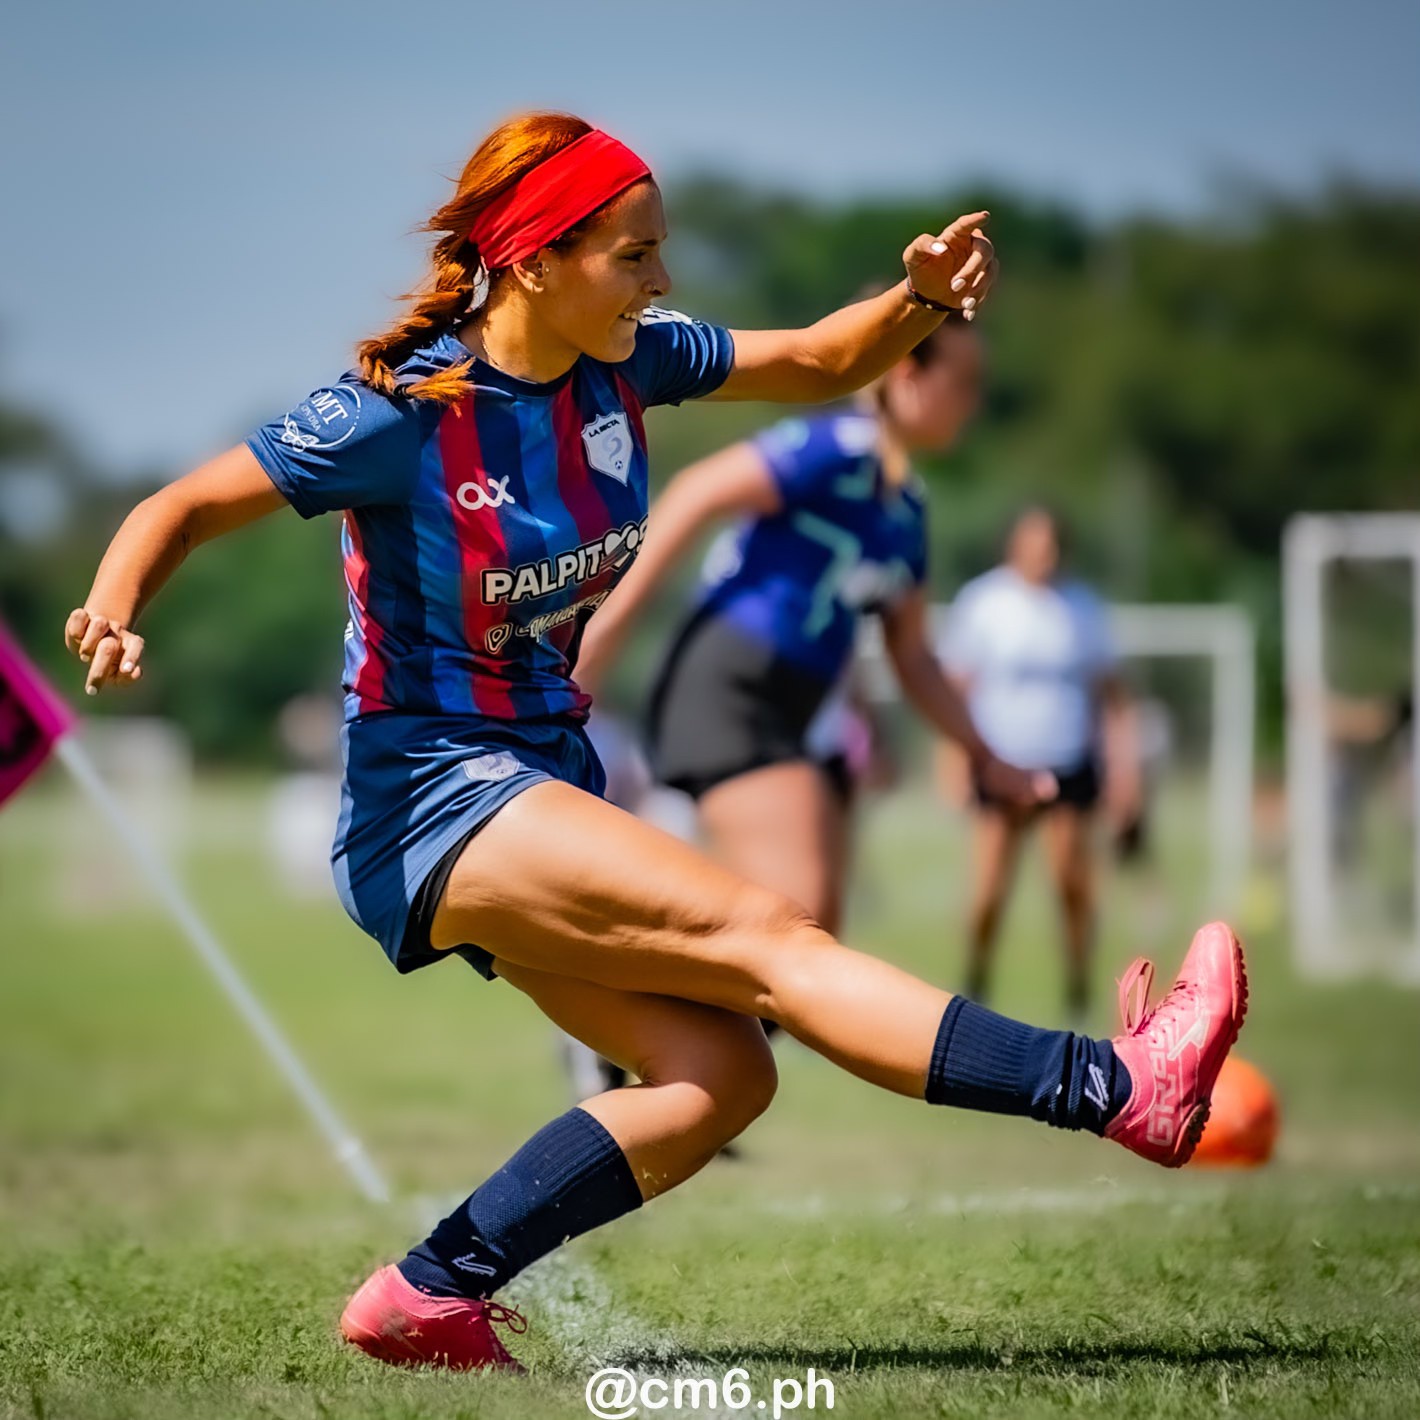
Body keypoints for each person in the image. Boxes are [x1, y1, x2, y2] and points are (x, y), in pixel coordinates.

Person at [64, 113, 1246, 1373]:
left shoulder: (628, 363)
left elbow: (812, 359)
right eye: (633, 255)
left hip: (530, 776)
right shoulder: (400, 416)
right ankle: (1114, 1086)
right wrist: (114, 606)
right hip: (430, 794)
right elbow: (181, 504)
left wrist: (912, 300)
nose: (660, 280)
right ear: (535, 263)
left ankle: (427, 1290)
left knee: (720, 1072)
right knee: (770, 936)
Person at [575, 304, 1008, 951]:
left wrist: (985, 754)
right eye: (964, 381)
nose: (973, 405)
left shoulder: (908, 512)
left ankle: (622, 1042)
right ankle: (617, 1029)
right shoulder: (836, 448)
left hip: (792, 710)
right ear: (909, 372)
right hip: (728, 687)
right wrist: (605, 630)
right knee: (797, 917)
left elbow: (913, 659)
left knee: (808, 930)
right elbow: (696, 491)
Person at [939, 506, 1142, 1023]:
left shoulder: (1083, 609)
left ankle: (1077, 987)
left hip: (1069, 762)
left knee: (1072, 884)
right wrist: (955, 760)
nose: (1042, 556)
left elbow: (1112, 698)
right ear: (1014, 546)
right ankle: (976, 976)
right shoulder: (985, 603)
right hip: (1000, 763)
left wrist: (1125, 771)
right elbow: (956, 690)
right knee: (988, 889)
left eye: (1051, 546)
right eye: (1033, 545)